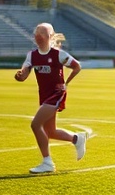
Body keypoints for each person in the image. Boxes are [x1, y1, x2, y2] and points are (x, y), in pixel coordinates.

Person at [14, 22, 87, 174]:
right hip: (44, 95)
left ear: (50, 37)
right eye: (37, 33)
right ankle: (77, 139)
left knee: (35, 124)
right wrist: (20, 76)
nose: (39, 36)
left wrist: (66, 83)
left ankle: (47, 162)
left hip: (56, 94)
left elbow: (77, 66)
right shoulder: (32, 55)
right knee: (51, 132)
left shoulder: (58, 54)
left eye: (43, 34)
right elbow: (24, 74)